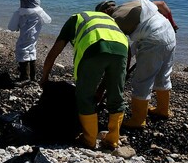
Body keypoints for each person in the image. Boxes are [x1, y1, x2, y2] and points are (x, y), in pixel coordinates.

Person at [40, 11, 129, 149]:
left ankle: (89, 140)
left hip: (94, 46)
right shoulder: (109, 20)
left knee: (85, 96)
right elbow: (111, 74)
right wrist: (100, 91)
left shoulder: (75, 19)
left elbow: (53, 53)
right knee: (116, 96)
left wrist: (44, 79)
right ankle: (112, 141)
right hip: (122, 48)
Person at [95, 0, 177, 128]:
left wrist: (123, 71)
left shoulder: (114, 21)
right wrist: (173, 25)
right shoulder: (131, 3)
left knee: (142, 81)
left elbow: (124, 51)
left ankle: (138, 120)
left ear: (104, 13)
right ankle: (163, 110)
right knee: (163, 75)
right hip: (168, 31)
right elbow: (162, 4)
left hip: (154, 38)